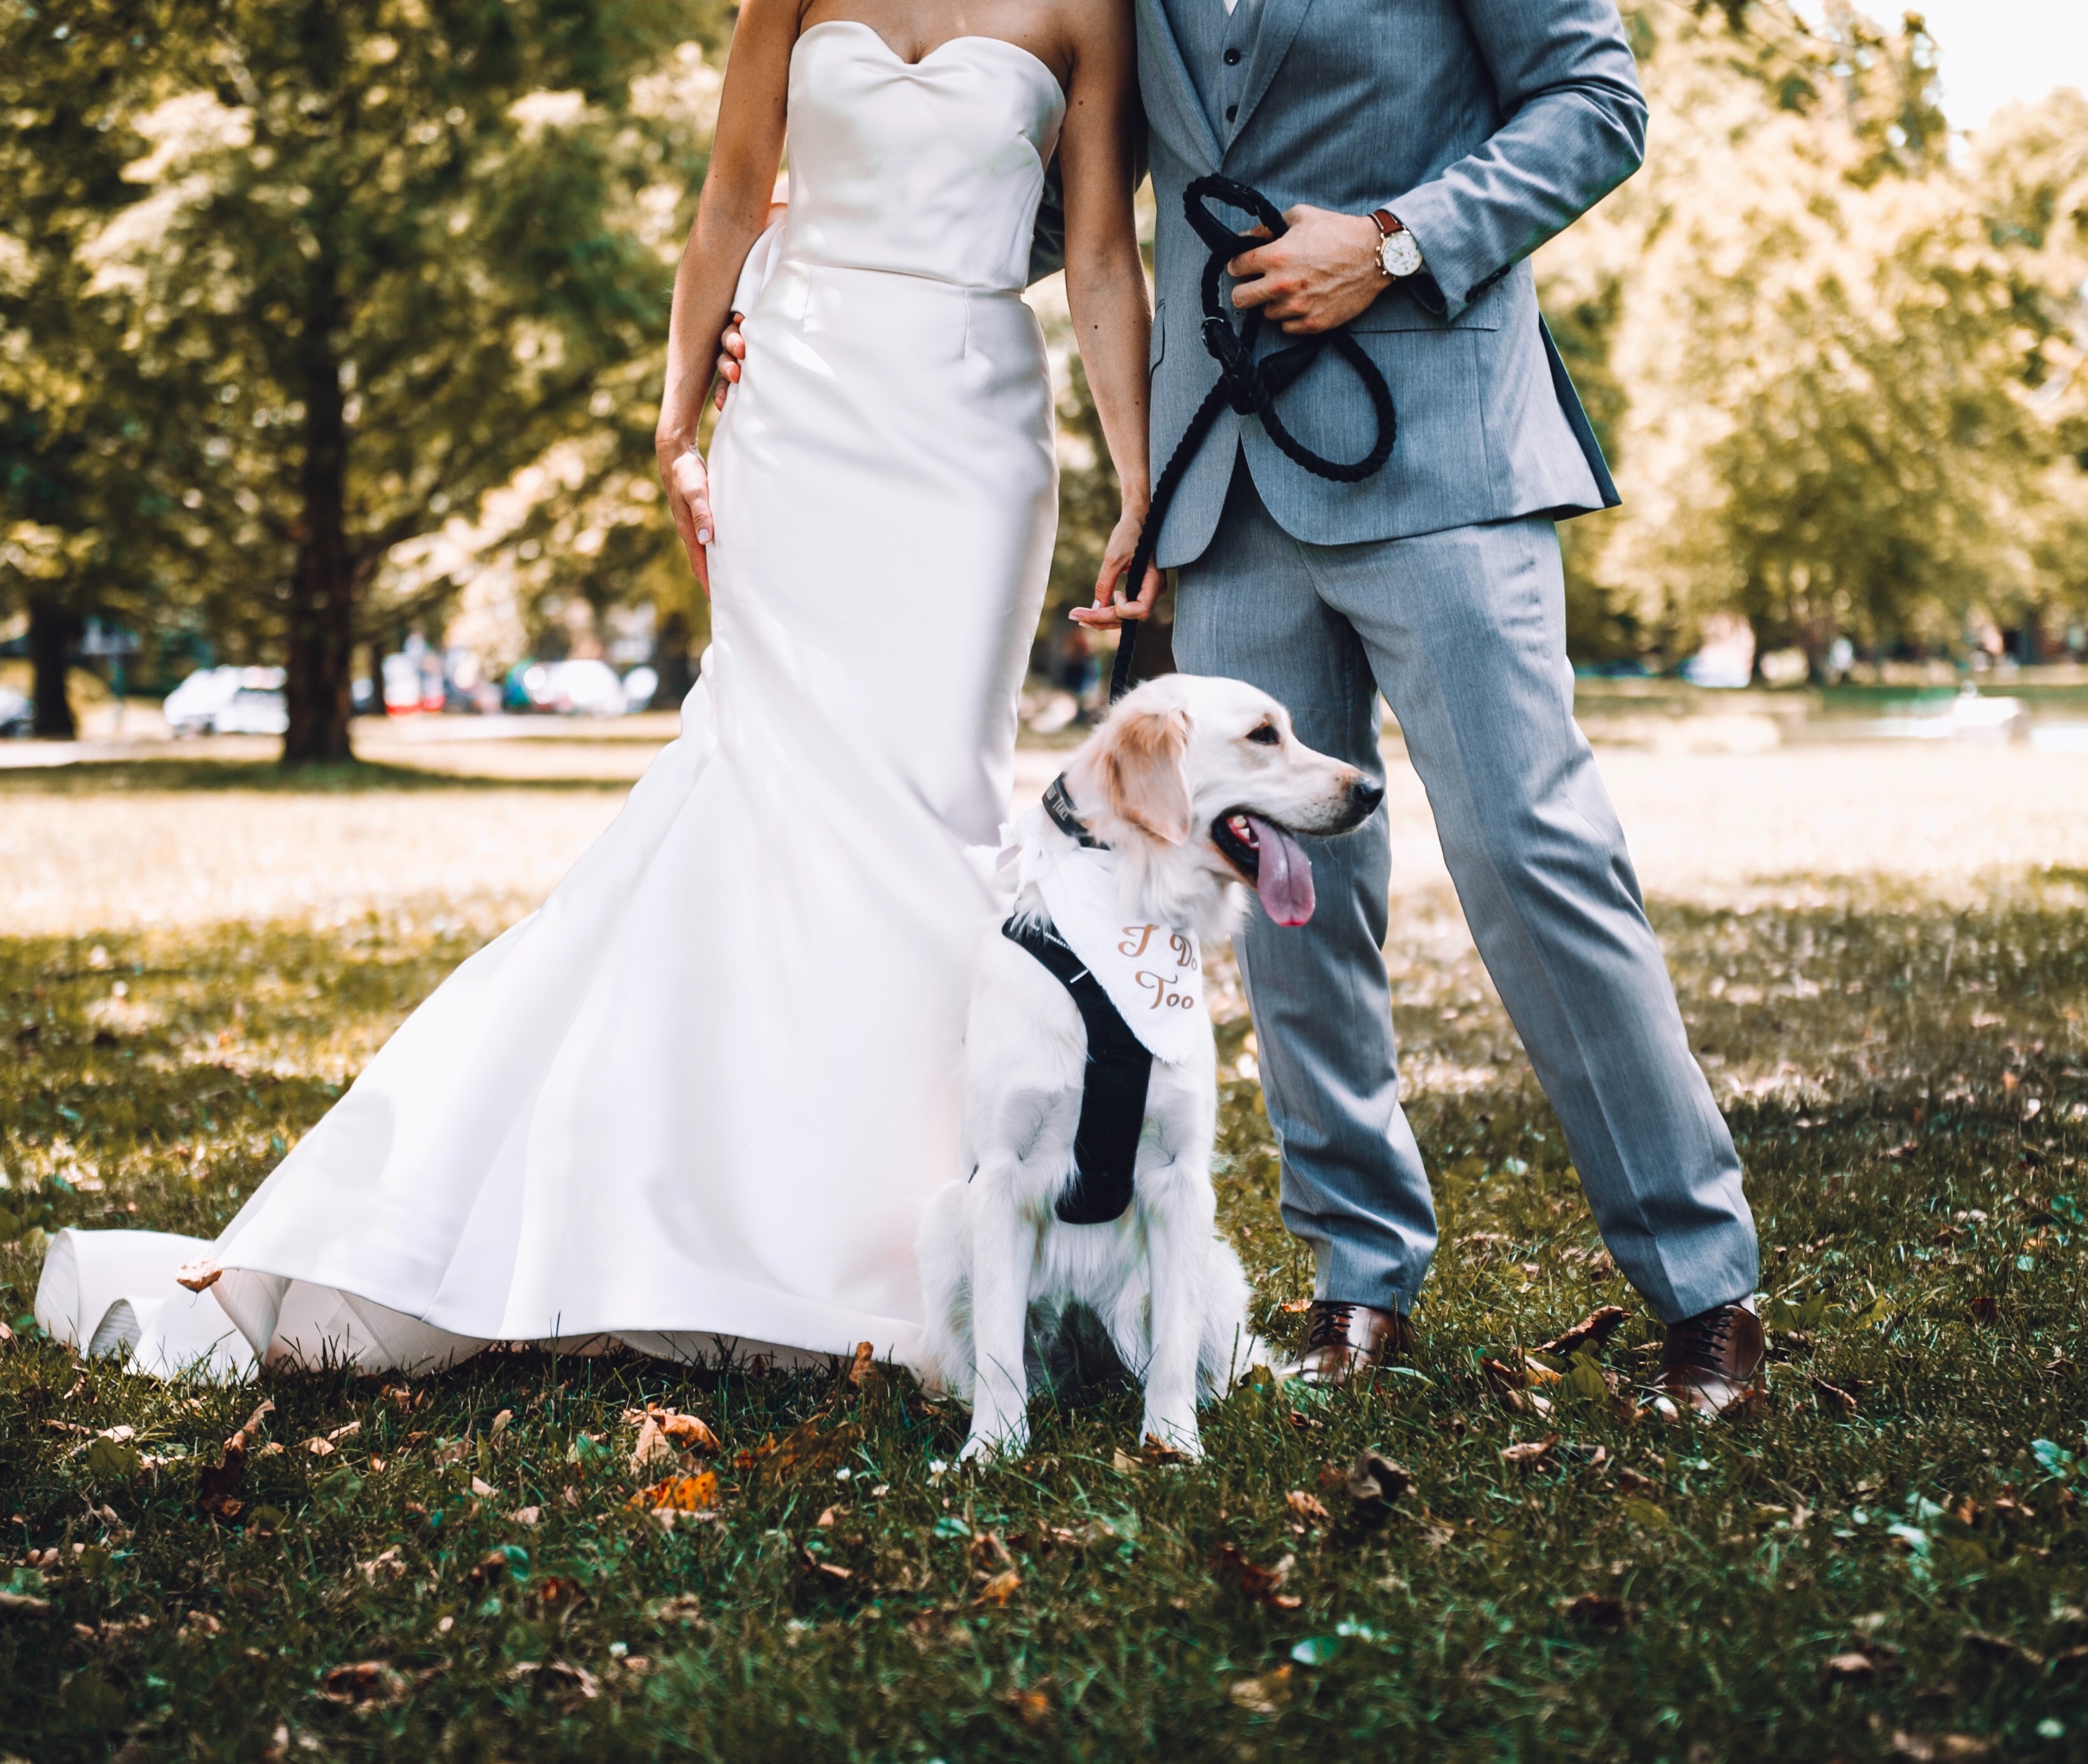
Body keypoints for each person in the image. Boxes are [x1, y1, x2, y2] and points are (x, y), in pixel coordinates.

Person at [34, 0, 1158, 1380]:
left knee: (935, 800)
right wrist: (677, 422)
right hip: (796, 407)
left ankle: (911, 1229)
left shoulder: (1086, 7)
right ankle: (686, 1205)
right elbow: (728, 199)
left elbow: (1101, 257)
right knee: (760, 779)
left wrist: (1138, 480)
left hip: (971, 432)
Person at [722, 0, 1767, 1417]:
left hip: (1443, 453)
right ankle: (1357, 1275)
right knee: (1280, 905)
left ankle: (1702, 1291)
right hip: (1222, 485)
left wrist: (1390, 240)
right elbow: (1071, 197)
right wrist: (828, 269)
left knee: (1532, 858)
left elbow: (1594, 106)